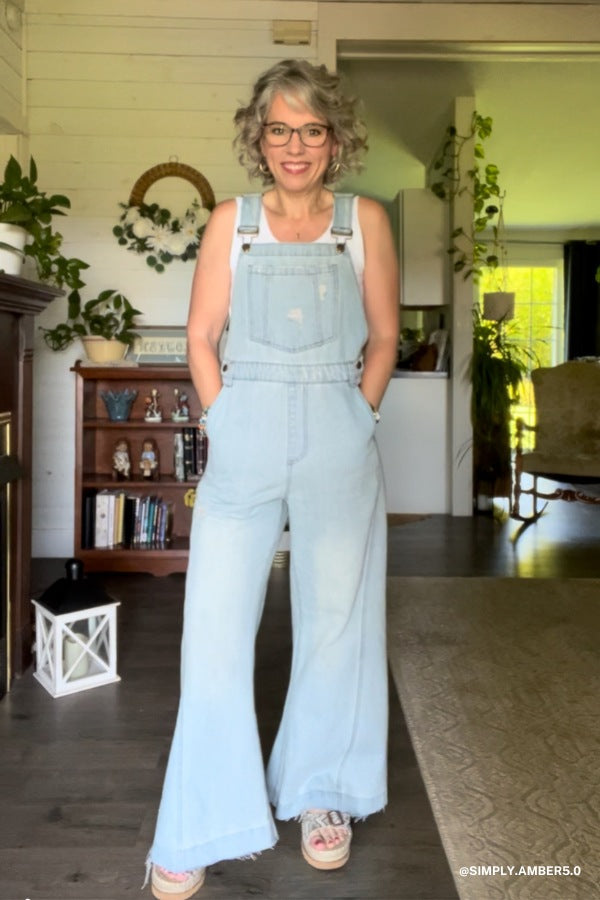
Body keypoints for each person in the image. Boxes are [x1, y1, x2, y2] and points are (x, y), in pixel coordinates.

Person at [147, 58, 399, 900]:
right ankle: (199, 819)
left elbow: (387, 339)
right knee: (213, 636)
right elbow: (200, 334)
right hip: (245, 428)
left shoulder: (365, 220)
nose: (296, 145)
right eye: (280, 128)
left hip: (337, 428)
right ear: (261, 138)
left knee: (336, 625)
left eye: (312, 129)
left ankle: (322, 794)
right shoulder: (232, 221)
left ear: (336, 139)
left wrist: (357, 416)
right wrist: (223, 420)